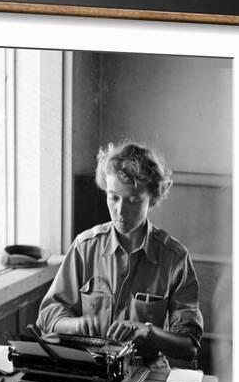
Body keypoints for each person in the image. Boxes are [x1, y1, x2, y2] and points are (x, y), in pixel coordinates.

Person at [36, 140, 203, 366]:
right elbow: (47, 318)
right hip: (90, 369)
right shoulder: (84, 247)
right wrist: (75, 325)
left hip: (145, 373)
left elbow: (189, 347)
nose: (120, 211)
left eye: (133, 200)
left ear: (152, 199)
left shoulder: (175, 258)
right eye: (113, 197)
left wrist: (147, 331)